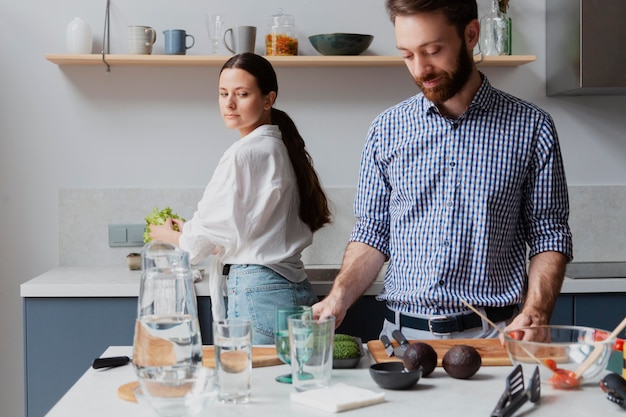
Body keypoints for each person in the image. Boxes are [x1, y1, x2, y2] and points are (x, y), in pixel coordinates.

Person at [313, 0, 573, 340]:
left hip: (495, 337)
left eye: (433, 50)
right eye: (407, 55)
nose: (420, 68)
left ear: (470, 34)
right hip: (402, 338)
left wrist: (537, 311)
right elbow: (373, 232)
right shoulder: (386, 129)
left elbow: (548, 232)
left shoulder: (532, 127)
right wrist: (339, 297)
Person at [149, 53, 331, 344]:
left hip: (259, 292)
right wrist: (189, 228)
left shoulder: (244, 153)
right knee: (293, 385)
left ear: (268, 99)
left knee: (255, 386)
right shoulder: (280, 147)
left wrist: (166, 236)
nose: (229, 104)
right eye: (223, 94)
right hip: (293, 288)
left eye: (242, 94)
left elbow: (196, 246)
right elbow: (244, 225)